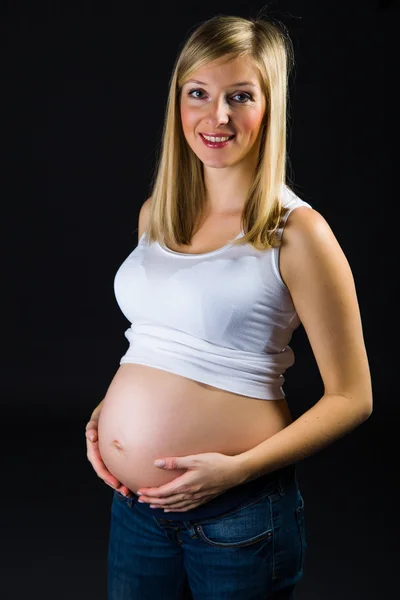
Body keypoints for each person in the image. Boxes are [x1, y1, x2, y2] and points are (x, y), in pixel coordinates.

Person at [85, 13, 373, 600]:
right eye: (199, 94)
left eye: (240, 97)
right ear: (179, 103)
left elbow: (354, 398)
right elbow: (161, 338)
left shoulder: (296, 233)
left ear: (269, 108)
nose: (216, 117)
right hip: (137, 510)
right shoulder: (157, 216)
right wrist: (108, 415)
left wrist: (237, 470)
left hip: (235, 515)